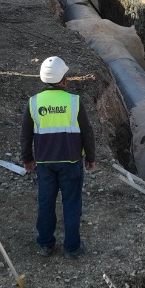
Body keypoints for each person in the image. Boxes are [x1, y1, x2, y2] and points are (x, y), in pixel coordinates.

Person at [22, 56, 97, 259]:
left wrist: (27, 158)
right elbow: (87, 132)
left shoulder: (34, 102)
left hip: (45, 163)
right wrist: (91, 157)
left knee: (46, 203)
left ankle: (45, 244)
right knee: (71, 204)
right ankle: (72, 248)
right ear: (64, 79)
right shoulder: (74, 102)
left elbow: (26, 134)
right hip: (71, 162)